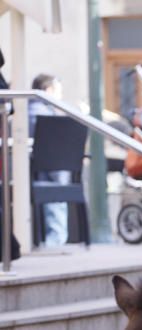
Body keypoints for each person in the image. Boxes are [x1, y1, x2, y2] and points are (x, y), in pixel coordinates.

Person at [27, 73, 69, 246]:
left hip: (36, 169)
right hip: (49, 171)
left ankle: (51, 239)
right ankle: (55, 239)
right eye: (58, 91)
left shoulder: (28, 111)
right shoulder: (44, 115)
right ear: (48, 90)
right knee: (56, 183)